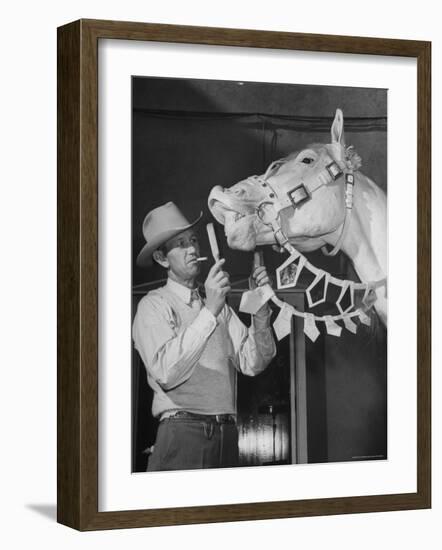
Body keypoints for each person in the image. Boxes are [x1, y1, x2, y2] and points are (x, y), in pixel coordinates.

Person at [132, 201, 276, 471]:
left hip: (228, 433)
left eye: (194, 240)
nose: (192, 249)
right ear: (162, 259)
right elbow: (166, 372)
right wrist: (210, 310)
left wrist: (259, 305)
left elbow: (254, 362)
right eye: (181, 244)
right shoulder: (154, 305)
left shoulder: (216, 305)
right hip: (183, 432)